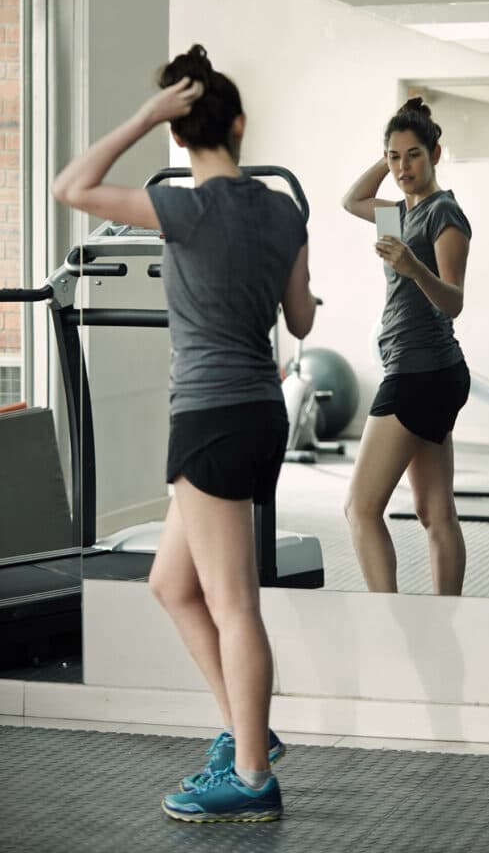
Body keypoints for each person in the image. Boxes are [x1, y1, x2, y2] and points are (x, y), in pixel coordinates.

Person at [52, 44, 317, 824]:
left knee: (233, 604)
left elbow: (72, 186)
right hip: (258, 417)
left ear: (180, 132)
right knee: (172, 585)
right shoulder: (282, 210)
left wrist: (142, 115)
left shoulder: (183, 208)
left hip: (207, 418)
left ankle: (251, 776)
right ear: (238, 124)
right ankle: (246, 729)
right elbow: (300, 320)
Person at [341, 97, 471, 595]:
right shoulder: (397, 214)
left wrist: (414, 268)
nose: (402, 167)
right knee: (435, 511)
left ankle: (388, 619)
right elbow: (352, 200)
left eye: (413, 155)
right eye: (395, 158)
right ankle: (446, 618)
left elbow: (454, 302)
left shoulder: (445, 214)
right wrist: (391, 147)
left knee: (360, 507)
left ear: (435, 154)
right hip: (425, 369)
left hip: (420, 372)